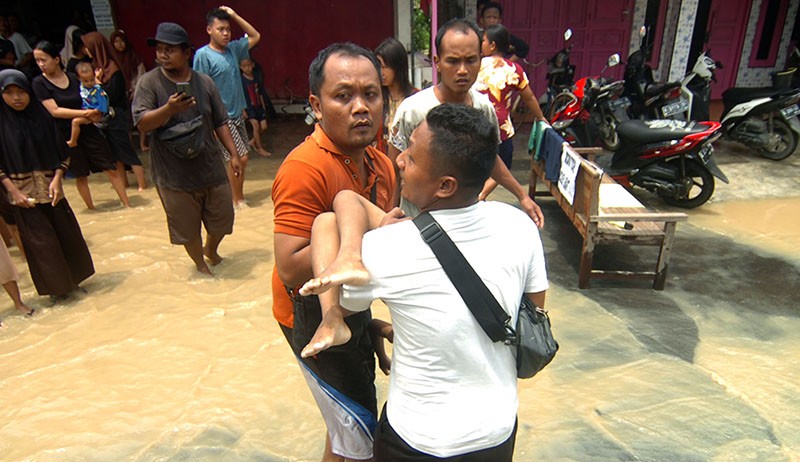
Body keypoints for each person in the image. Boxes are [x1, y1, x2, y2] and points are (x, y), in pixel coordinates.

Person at [300, 103, 548, 460]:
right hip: (496, 431)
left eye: (412, 159)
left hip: (418, 439)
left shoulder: (388, 248)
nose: (399, 161)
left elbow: (348, 301)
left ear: (445, 185)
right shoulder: (519, 226)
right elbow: (534, 311)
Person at [271, 42, 396, 461]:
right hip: (307, 313)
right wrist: (354, 228)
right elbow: (290, 267)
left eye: (371, 94)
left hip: (349, 304)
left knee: (346, 431)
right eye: (343, 96)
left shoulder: (382, 164)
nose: (361, 107)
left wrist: (366, 321)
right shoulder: (304, 167)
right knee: (357, 434)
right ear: (317, 105)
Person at [388, 18, 544, 228]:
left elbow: (490, 158)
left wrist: (522, 196)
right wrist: (389, 215)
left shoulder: (483, 107)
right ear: (438, 62)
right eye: (453, 61)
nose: (462, 70)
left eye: (470, 60)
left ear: (481, 60)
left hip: (465, 223)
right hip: (417, 222)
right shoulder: (413, 110)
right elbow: (393, 169)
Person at [133, 22, 241, 276]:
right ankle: (201, 266)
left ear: (186, 52)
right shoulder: (149, 83)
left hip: (209, 167)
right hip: (173, 174)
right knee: (187, 228)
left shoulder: (204, 83)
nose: (162, 55)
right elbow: (142, 123)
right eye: (159, 49)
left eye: (169, 50)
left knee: (223, 220)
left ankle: (210, 250)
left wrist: (233, 153)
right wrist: (168, 110)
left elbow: (220, 121)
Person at [0, 69, 95, 301]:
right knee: (42, 245)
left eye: (21, 92)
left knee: (67, 236)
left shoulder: (41, 118)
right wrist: (13, 191)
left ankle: (73, 283)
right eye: (9, 93)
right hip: (23, 194)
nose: (16, 98)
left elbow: (62, 153)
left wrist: (57, 179)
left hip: (52, 188)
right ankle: (58, 291)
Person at [31, 40, 130, 209]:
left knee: (109, 167)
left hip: (89, 128)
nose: (41, 64)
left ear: (56, 59)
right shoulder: (39, 83)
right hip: (66, 134)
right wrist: (84, 114)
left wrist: (96, 112)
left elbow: (91, 95)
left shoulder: (73, 77)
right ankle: (92, 209)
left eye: (44, 59)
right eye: (38, 61)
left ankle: (127, 204)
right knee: (80, 174)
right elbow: (55, 111)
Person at [193, 6, 261, 208]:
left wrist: (234, 15)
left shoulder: (233, 49)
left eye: (228, 30)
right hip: (219, 118)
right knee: (241, 157)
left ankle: (237, 197)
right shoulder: (203, 56)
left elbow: (256, 36)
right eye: (220, 29)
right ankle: (236, 199)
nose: (225, 33)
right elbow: (199, 90)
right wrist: (208, 122)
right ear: (209, 30)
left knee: (242, 159)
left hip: (237, 114)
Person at [474, 24, 546, 199]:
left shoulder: (474, 65)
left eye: (483, 40)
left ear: (492, 45)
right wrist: (541, 117)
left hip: (474, 125)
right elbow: (529, 97)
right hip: (501, 128)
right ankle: (481, 195)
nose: (480, 44)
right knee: (503, 165)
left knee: (474, 165)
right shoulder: (513, 69)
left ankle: (474, 196)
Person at [82, 31, 147, 191]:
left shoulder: (112, 69)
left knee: (127, 152)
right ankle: (124, 184)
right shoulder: (98, 68)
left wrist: (98, 84)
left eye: (87, 47)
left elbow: (114, 96)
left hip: (116, 117)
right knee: (116, 156)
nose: (85, 50)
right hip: (106, 120)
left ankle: (142, 185)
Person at [374, 37, 416, 154]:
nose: (380, 72)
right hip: (380, 164)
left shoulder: (415, 99)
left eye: (384, 67)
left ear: (397, 66)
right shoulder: (375, 98)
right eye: (378, 66)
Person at [67, 61, 111, 147]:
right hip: (85, 111)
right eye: (86, 81)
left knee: (75, 122)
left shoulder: (97, 90)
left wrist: (96, 111)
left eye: (91, 80)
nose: (90, 83)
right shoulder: (81, 87)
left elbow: (104, 102)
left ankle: (73, 141)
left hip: (95, 113)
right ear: (79, 79)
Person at [239, 57, 271, 157]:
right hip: (249, 108)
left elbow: (260, 92)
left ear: (253, 65)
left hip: (258, 106)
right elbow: (240, 96)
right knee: (256, 127)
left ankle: (253, 141)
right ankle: (260, 148)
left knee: (264, 127)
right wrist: (243, 110)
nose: (247, 68)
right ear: (241, 67)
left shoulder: (256, 77)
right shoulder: (241, 81)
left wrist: (263, 105)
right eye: (244, 66)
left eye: (249, 65)